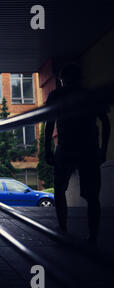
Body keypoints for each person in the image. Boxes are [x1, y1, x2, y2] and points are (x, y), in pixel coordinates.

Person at [44, 63, 110, 245]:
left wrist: (47, 148)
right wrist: (103, 149)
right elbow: (105, 123)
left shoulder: (57, 95)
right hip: (88, 147)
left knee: (59, 188)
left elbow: (48, 123)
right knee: (92, 194)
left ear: (61, 79)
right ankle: (93, 236)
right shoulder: (90, 95)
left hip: (65, 146)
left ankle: (63, 227)